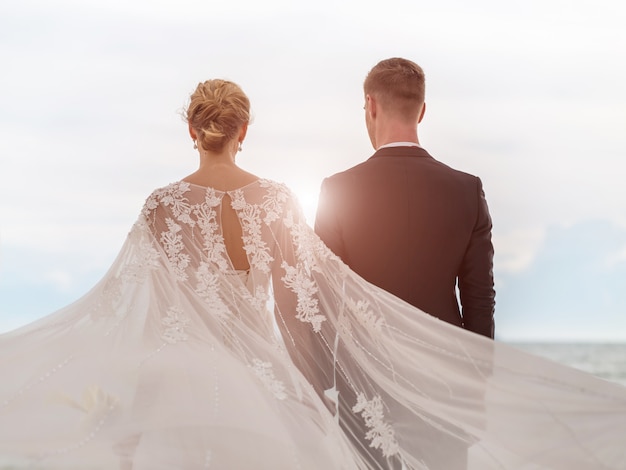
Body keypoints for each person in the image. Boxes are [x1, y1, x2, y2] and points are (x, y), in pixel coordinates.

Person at [1, 79, 625, 470]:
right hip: (259, 385)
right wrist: (310, 390)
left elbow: (134, 312)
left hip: (174, 384)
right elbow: (300, 304)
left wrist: (127, 413)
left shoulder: (161, 206)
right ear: (244, 132)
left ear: (192, 131)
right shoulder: (276, 200)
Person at [314, 57, 496, 468]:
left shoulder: (338, 190)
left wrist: (324, 384)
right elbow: (480, 300)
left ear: (371, 106)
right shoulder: (467, 189)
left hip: (366, 381)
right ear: (422, 111)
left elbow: (321, 299)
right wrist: (476, 386)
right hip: (446, 386)